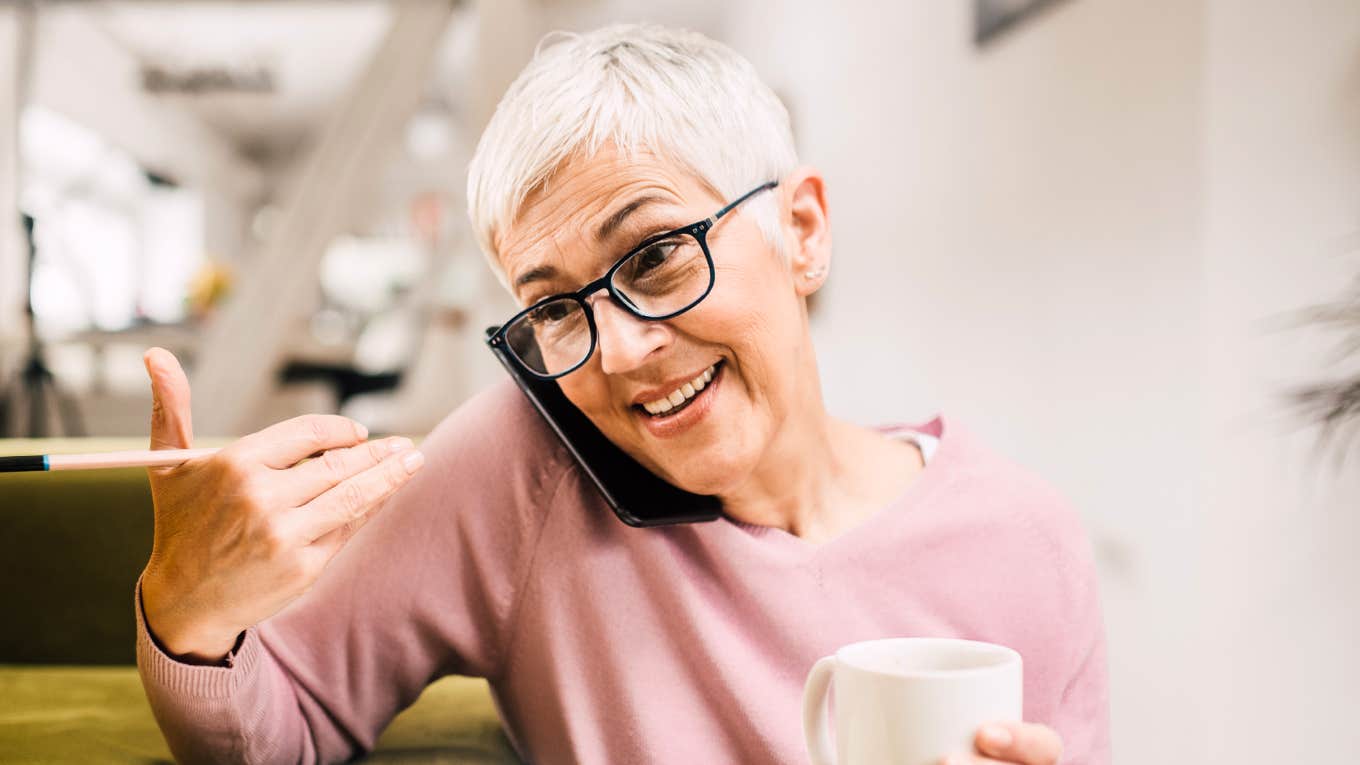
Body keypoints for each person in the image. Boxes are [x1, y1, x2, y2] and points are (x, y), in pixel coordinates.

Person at [136, 23, 1109, 764]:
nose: (620, 351)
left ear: (802, 231)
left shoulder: (1026, 539)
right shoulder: (521, 470)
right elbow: (283, 724)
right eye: (553, 308)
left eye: (653, 257)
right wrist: (188, 612)